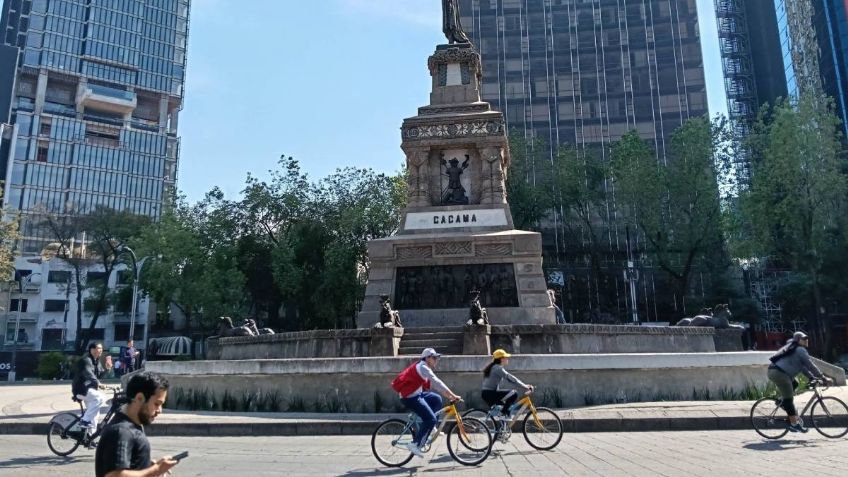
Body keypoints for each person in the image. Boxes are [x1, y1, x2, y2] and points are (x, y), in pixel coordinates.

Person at [95, 372, 178, 477]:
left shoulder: (131, 426)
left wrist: (145, 466)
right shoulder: (122, 431)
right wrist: (156, 470)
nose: (159, 410)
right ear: (139, 398)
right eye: (157, 404)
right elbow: (115, 475)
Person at [391, 348, 461, 458]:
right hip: (409, 397)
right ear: (427, 358)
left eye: (437, 358)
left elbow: (432, 387)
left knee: (436, 399)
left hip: (417, 394)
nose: (436, 360)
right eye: (434, 358)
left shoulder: (424, 366)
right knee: (431, 419)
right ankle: (415, 444)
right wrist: (452, 395)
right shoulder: (423, 367)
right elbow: (437, 383)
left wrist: (448, 395)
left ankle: (431, 428)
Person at [767, 331, 833, 432]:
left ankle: (781, 401)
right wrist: (823, 377)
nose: (806, 340)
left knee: (795, 383)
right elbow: (810, 364)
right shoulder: (799, 350)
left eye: (807, 338)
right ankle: (794, 424)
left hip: (778, 372)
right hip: (779, 373)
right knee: (789, 399)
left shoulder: (794, 349)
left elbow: (804, 368)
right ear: (798, 340)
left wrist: (812, 377)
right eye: (803, 338)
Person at [72, 342, 113, 437]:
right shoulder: (86, 360)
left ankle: (90, 437)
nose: (101, 350)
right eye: (98, 348)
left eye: (101, 348)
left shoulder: (96, 361)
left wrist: (107, 369)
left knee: (95, 415)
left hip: (90, 390)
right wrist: (98, 383)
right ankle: (84, 420)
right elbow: (88, 374)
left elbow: (99, 375)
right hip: (81, 389)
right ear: (92, 350)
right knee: (100, 398)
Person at [481, 349, 533, 424]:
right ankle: (504, 414)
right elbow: (510, 378)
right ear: (501, 359)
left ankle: (501, 431)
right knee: (514, 393)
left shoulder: (493, 367)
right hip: (489, 393)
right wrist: (524, 386)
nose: (507, 359)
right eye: (506, 357)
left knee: (505, 407)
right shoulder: (497, 368)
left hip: (487, 393)